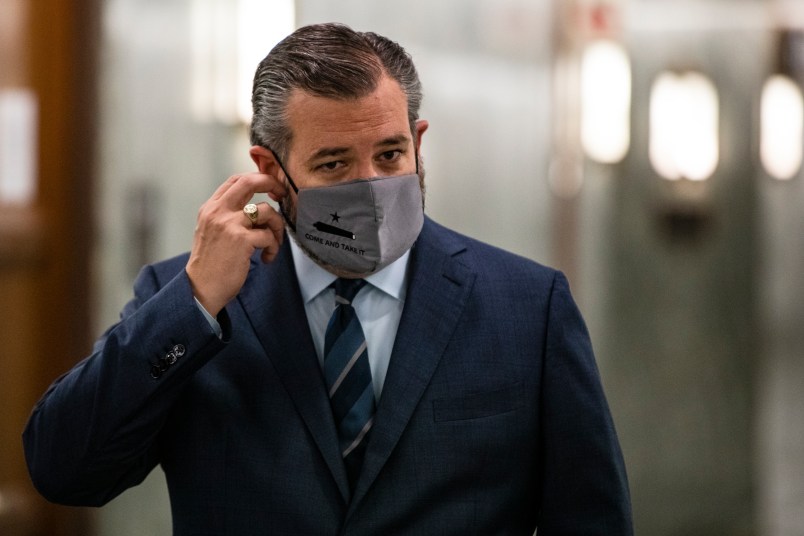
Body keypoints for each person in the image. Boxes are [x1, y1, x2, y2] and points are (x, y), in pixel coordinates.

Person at [23, 22, 632, 535]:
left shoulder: (528, 307)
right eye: (334, 163)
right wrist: (195, 300)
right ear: (269, 169)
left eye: (390, 155)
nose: (369, 185)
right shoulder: (185, 303)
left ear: (419, 144)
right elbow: (64, 470)